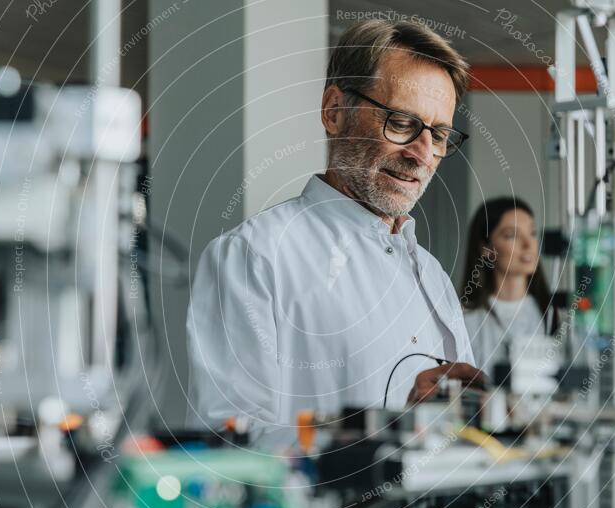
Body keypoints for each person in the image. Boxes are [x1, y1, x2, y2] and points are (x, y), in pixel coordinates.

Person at [187, 20, 484, 447]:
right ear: (334, 111)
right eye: (401, 122)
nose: (422, 155)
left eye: (438, 135)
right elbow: (233, 447)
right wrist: (392, 432)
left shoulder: (432, 275)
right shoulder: (254, 256)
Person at [460, 197, 556, 378]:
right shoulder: (464, 320)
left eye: (532, 233)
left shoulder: (555, 315)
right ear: (487, 249)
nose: (528, 245)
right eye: (512, 235)